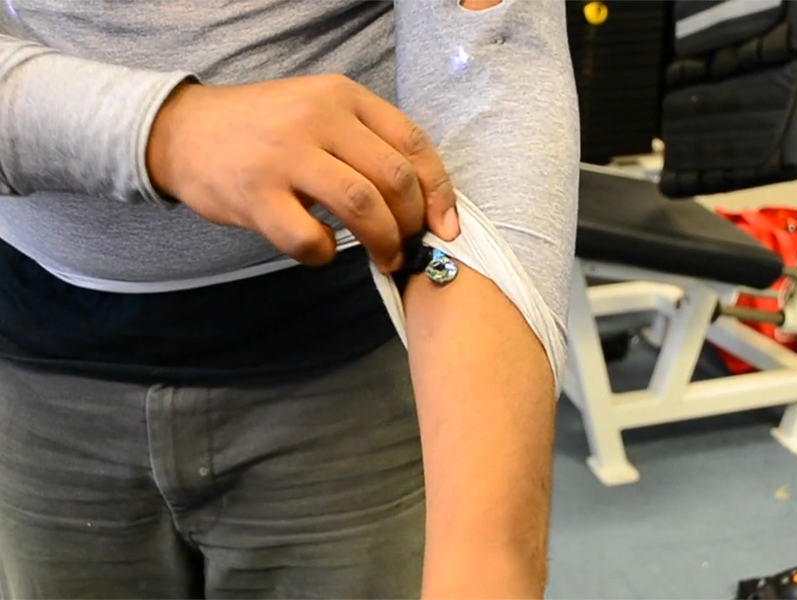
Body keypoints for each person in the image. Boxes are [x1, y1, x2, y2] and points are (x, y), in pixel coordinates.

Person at [0, 0, 579, 598]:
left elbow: (489, 64)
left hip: (345, 357)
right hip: (41, 356)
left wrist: (489, 563)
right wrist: (163, 130)